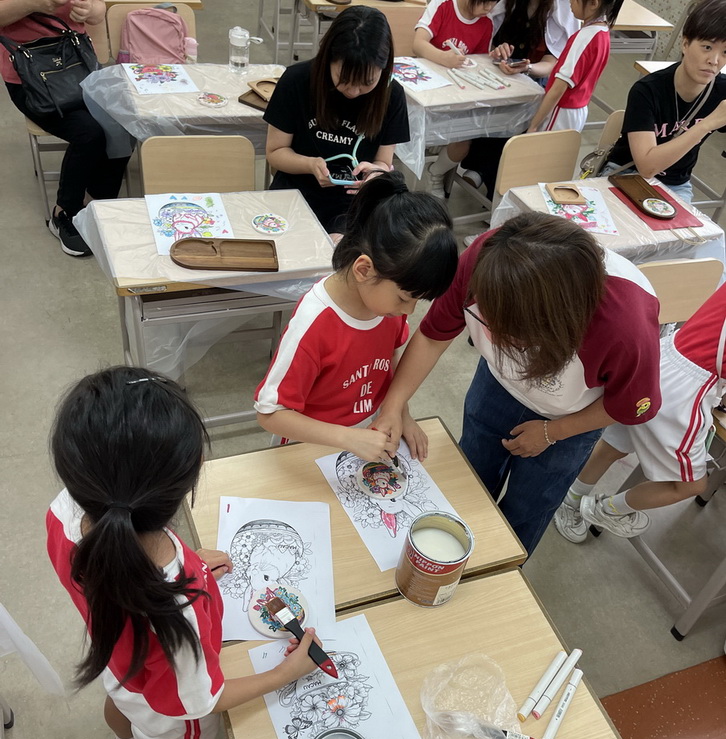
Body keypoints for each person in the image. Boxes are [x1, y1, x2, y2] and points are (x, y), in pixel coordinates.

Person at [46, 368, 319, 739]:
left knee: (123, 705)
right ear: (186, 484)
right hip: (163, 699)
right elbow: (203, 699)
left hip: (118, 661)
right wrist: (284, 673)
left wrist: (186, 559)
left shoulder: (64, 510)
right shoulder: (178, 608)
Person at [374, 212, 662, 555]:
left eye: (512, 335)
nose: (493, 338)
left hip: (571, 416)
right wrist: (394, 406)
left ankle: (501, 569)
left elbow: (627, 406)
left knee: (528, 509)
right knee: (469, 479)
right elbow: (433, 336)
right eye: (487, 323)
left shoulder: (624, 327)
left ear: (556, 319)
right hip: (496, 384)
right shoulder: (489, 260)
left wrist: (553, 432)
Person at [255, 171, 458, 463]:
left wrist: (401, 412)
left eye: (417, 301)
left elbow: (389, 359)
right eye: (404, 298)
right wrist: (348, 438)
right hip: (311, 445)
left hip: (364, 436)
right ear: (364, 269)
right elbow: (270, 413)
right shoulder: (315, 322)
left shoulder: (385, 306)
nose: (409, 312)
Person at [555, 284, 726, 542]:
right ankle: (607, 510)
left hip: (663, 354)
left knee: (616, 443)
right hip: (688, 388)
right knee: (691, 485)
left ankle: (570, 500)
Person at [0, 0, 130, 256]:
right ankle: (65, 213)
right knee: (89, 133)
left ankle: (97, 204)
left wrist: (89, 10)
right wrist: (28, 2)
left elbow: (98, 7)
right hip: (30, 77)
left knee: (125, 121)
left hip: (77, 62)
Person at [264, 6, 409, 235]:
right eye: (344, 79)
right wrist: (310, 165)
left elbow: (383, 162)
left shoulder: (392, 95)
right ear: (328, 58)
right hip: (294, 190)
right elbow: (275, 152)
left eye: (367, 82)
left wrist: (374, 174)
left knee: (338, 250)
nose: (353, 91)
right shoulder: (297, 81)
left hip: (352, 202)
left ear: (384, 68)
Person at [455, 0, 578, 195]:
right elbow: (488, 37)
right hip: (497, 73)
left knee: (517, 118)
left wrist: (528, 68)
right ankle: (479, 167)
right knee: (485, 107)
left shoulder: (561, 5)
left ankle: (495, 179)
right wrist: (496, 50)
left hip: (533, 81)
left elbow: (554, 61)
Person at [605, 0, 726, 205]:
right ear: (685, 43)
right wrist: (706, 125)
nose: (714, 61)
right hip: (627, 174)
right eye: (707, 47)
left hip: (676, 186)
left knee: (693, 228)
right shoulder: (648, 90)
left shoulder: (721, 90)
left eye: (725, 52)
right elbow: (647, 167)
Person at [412, 0, 505, 197]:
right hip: (426, 90)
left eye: (493, 3)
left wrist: (491, 60)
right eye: (483, 1)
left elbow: (478, 62)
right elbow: (418, 44)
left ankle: (435, 173)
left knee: (464, 140)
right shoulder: (444, 3)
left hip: (457, 94)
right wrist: (443, 57)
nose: (488, 8)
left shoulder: (486, 21)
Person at [527, 0, 629, 133]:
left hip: (561, 112)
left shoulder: (583, 38)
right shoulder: (603, 33)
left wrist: (534, 124)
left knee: (541, 147)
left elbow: (558, 88)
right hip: (578, 110)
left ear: (593, 3)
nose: (570, 1)